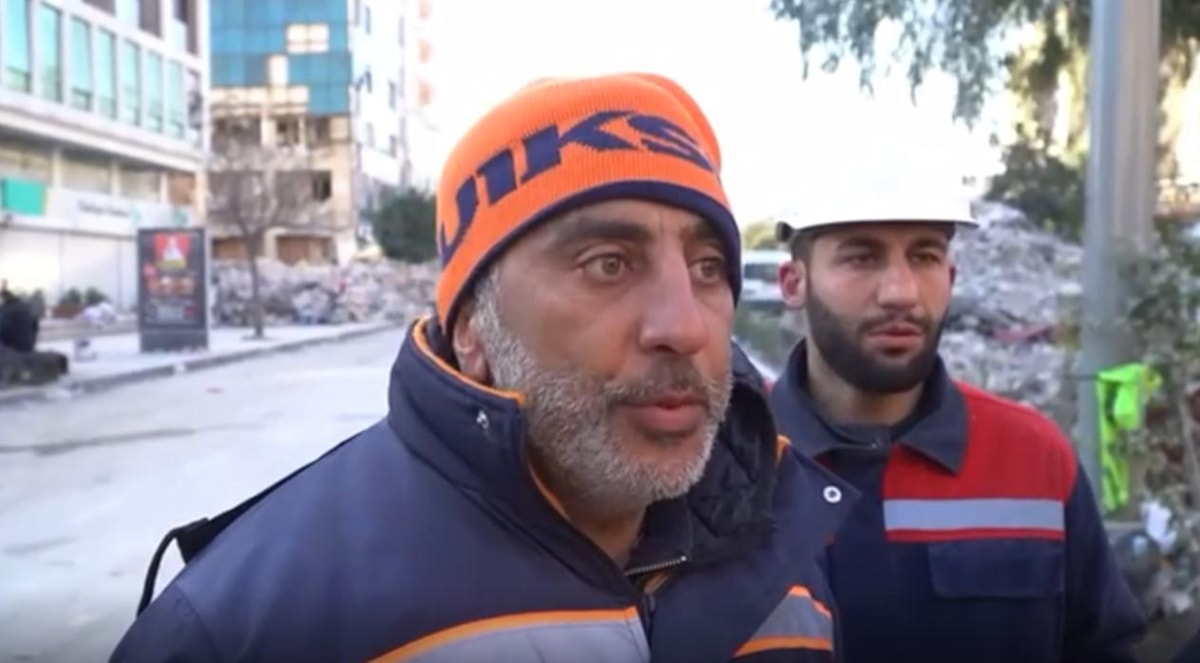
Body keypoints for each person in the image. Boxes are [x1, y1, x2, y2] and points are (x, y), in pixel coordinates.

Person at [110, 73, 854, 662]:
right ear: (473, 329)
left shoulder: (778, 541)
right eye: (608, 263)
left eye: (707, 267)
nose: (685, 326)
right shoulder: (250, 623)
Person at [767, 199, 1146, 663]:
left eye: (924, 256)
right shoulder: (723, 461)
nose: (901, 292)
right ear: (794, 283)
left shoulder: (1034, 459)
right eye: (861, 258)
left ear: (950, 276)